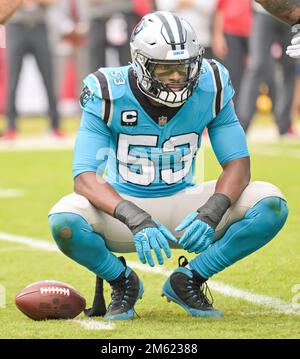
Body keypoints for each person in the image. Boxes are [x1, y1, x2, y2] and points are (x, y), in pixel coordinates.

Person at [49, 11, 288, 321]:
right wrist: (134, 218)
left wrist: (213, 210)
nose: (178, 78)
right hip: (124, 210)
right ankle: (122, 281)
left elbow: (238, 165)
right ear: (140, 63)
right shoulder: (108, 91)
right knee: (64, 221)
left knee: (270, 205)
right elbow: (85, 178)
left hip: (186, 206)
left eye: (185, 68)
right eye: (166, 69)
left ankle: (189, 279)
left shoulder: (212, 83)